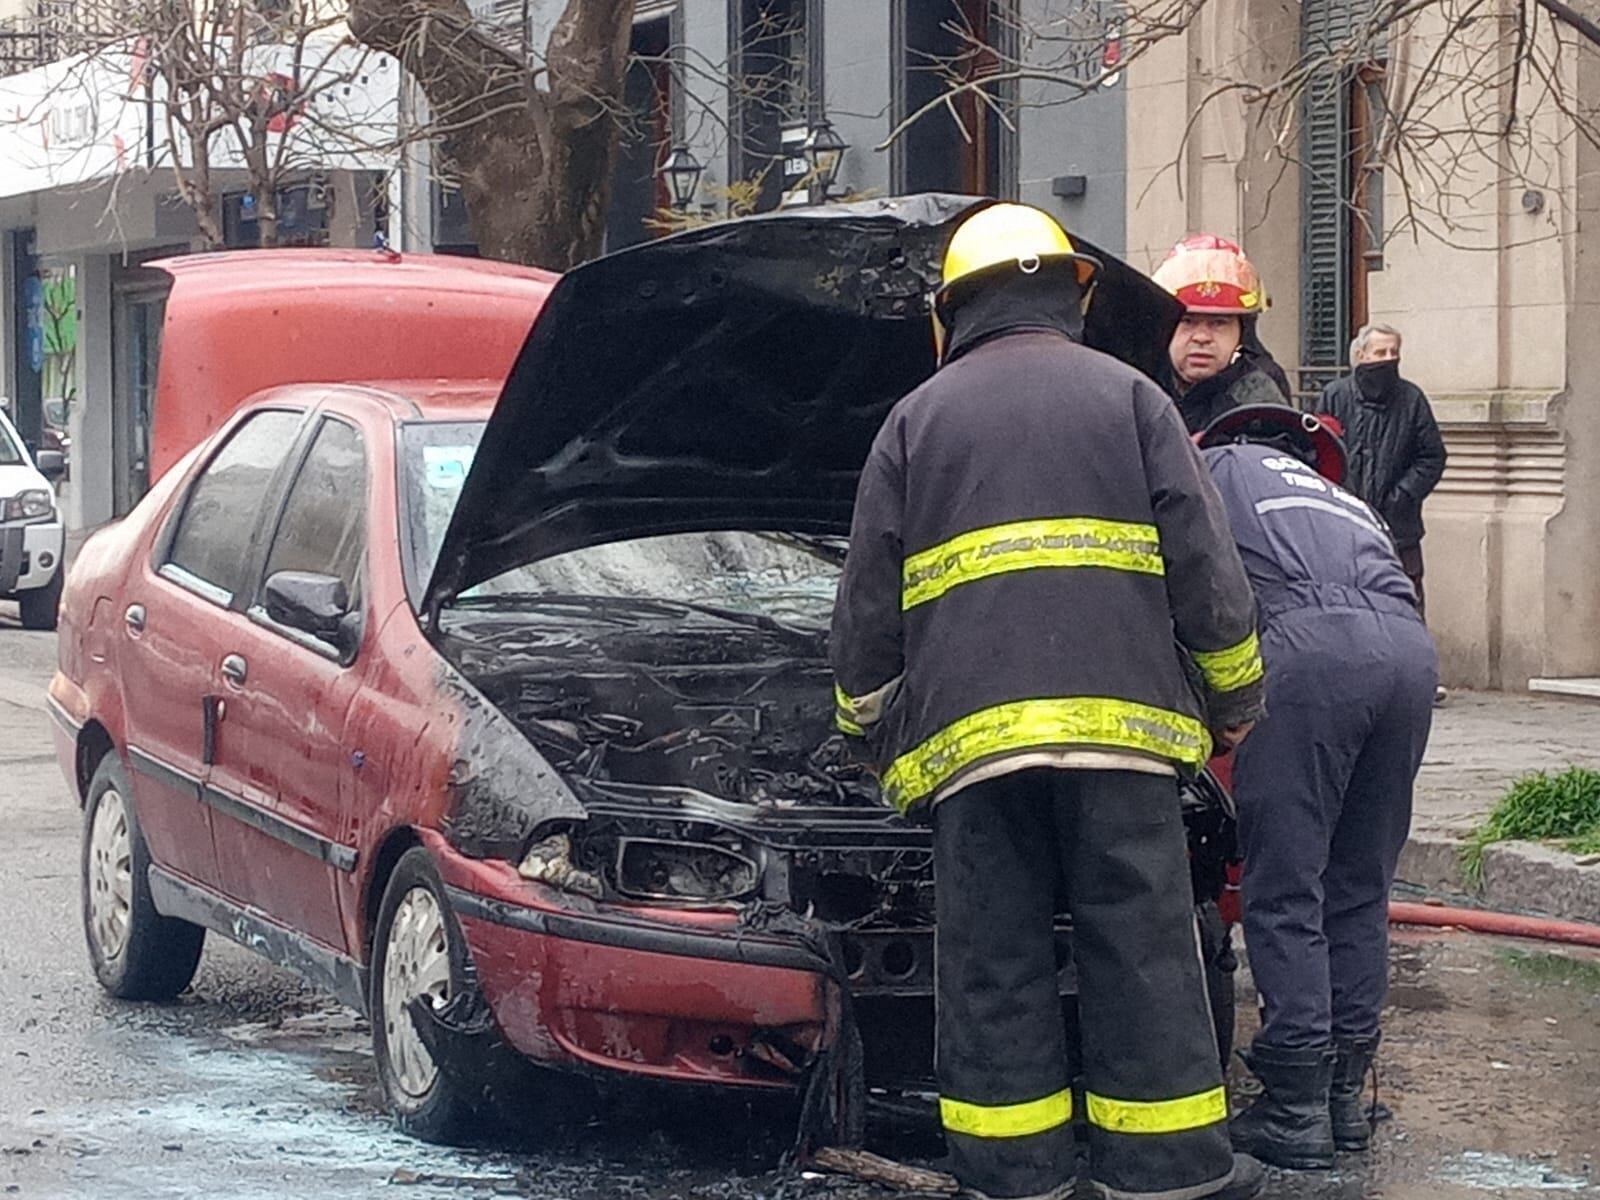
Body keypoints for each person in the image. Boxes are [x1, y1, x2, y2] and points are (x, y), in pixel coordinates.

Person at [831, 202, 1268, 1200]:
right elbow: (1207, 572)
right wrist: (1233, 699)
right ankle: (1163, 1171)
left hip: (975, 759)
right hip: (1126, 748)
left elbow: (868, 604)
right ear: (1073, 295)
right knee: (1142, 954)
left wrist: (863, 729)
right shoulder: (1135, 400)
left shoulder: (915, 421)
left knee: (994, 965)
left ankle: (1011, 1173)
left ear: (954, 313)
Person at [1195, 405, 1438, 1171]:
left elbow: (1183, 586)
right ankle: (1342, 1102)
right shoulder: (1343, 500)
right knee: (1359, 885)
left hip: (1309, 654)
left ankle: (1294, 1111)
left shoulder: (1216, 469)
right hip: (1408, 655)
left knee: (1285, 884)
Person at [1317, 323, 1446, 628]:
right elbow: (1319, 451)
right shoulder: (1335, 396)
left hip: (1399, 529)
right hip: (1344, 528)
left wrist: (1403, 495)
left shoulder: (1412, 399)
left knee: (1406, 607)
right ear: (1361, 355)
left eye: (1394, 352)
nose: (1388, 359)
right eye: (1380, 352)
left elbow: (1432, 456)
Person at [1151, 234, 1292, 434]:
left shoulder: (1261, 402)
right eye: (1187, 321)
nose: (1201, 337)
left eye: (1218, 323)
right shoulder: (1135, 390)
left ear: (1242, 333)